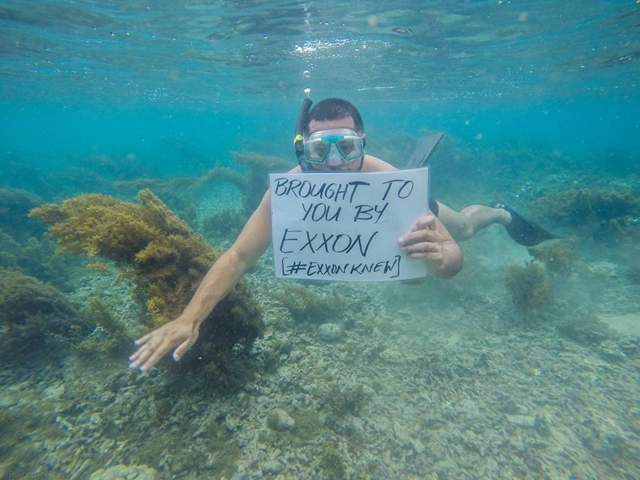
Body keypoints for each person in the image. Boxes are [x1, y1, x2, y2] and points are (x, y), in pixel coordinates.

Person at [128, 98, 512, 372]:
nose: (334, 163)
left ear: (363, 142)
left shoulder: (390, 183)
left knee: (461, 228)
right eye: (319, 149)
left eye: (347, 147)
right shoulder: (289, 192)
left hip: (398, 203)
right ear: (303, 151)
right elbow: (238, 257)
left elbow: (451, 258)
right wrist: (189, 318)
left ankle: (498, 213)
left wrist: (442, 259)